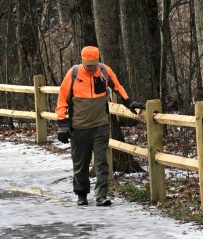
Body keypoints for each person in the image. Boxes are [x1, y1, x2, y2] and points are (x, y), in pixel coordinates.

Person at [55, 46, 144, 206]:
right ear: (83, 62)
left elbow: (118, 87)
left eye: (94, 65)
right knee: (80, 163)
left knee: (101, 161)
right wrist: (62, 123)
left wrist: (129, 102)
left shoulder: (104, 71)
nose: (91, 69)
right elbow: (62, 98)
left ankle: (101, 195)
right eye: (88, 66)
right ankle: (81, 194)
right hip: (79, 128)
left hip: (100, 125)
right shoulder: (73, 73)